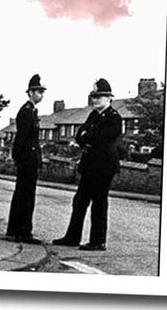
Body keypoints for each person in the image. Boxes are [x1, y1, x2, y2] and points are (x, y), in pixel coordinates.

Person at [53, 78, 122, 251]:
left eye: (99, 96)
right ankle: (72, 237)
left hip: (103, 167)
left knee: (99, 203)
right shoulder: (93, 115)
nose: (95, 100)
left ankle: (98, 241)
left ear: (109, 98)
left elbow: (101, 139)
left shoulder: (114, 118)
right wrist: (89, 137)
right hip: (89, 166)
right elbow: (79, 136)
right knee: (79, 201)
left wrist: (89, 136)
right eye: (94, 96)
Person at [6, 74, 46, 244]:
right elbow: (21, 138)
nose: (41, 95)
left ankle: (15, 229)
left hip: (29, 158)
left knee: (22, 194)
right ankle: (24, 232)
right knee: (26, 196)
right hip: (27, 159)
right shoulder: (27, 112)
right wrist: (20, 157)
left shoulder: (31, 111)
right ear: (30, 93)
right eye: (38, 91)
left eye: (42, 92)